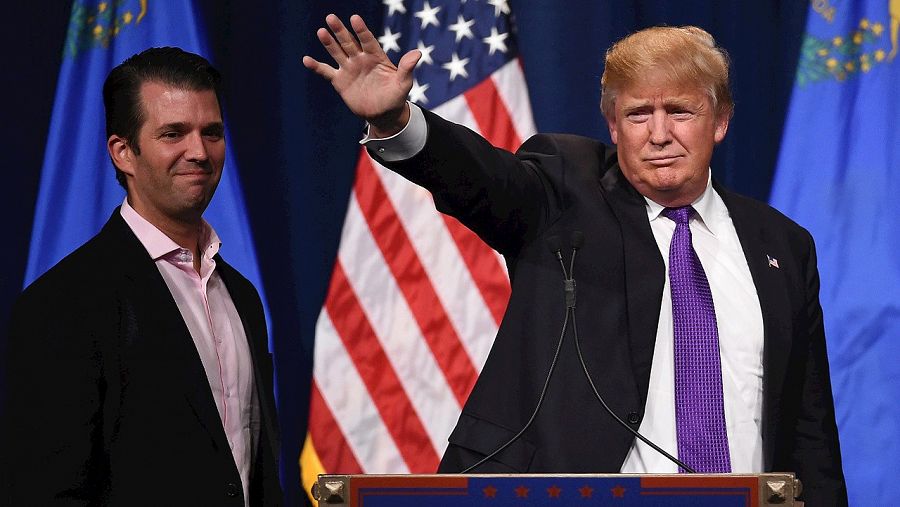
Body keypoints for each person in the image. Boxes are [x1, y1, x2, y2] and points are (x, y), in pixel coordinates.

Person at [304, 14, 848, 506]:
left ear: (720, 121)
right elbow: (480, 177)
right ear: (613, 126)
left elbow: (808, 426)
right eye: (638, 114)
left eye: (679, 111)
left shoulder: (781, 244)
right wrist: (399, 118)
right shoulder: (566, 191)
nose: (659, 134)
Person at [2, 47, 282, 506]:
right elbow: (44, 491)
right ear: (123, 152)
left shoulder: (241, 296)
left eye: (211, 133)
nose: (199, 151)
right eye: (173, 133)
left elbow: (256, 474)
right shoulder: (62, 303)